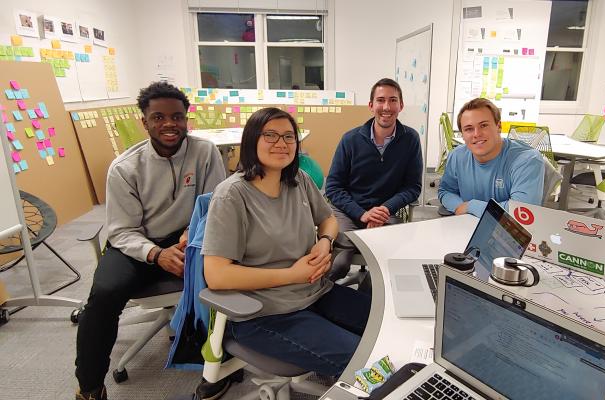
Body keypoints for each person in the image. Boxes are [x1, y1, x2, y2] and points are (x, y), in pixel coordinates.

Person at [74, 82, 226, 400]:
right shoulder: (124, 168)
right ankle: (89, 386)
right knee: (103, 296)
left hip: (189, 236)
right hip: (137, 242)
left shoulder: (205, 152)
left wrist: (190, 235)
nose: (169, 124)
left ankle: (222, 368)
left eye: (177, 116)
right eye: (158, 117)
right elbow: (120, 230)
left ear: (187, 118)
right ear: (144, 122)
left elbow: (215, 205)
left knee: (227, 276)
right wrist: (156, 254)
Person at [201, 107, 371, 379]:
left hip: (314, 291)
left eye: (289, 137)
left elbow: (328, 219)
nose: (281, 143)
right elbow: (217, 275)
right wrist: (292, 274)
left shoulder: (299, 180)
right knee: (365, 362)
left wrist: (325, 242)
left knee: (385, 326)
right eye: (270, 135)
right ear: (251, 140)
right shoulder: (231, 196)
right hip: (263, 313)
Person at [325, 78, 422, 280]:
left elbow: (413, 187)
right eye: (380, 100)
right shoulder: (350, 139)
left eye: (393, 100)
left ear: (401, 105)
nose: (386, 107)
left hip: (385, 214)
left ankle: (367, 301)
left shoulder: (410, 139)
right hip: (348, 212)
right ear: (371, 106)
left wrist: (385, 209)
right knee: (338, 265)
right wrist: (362, 214)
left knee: (389, 267)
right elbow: (333, 188)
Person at [438, 97, 544, 217]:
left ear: (499, 126)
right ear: (462, 135)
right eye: (469, 129)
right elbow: (446, 191)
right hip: (465, 225)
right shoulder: (457, 156)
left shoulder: (527, 160)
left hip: (508, 231)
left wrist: (471, 206)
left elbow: (522, 212)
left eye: (483, 126)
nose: (477, 134)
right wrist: (458, 206)